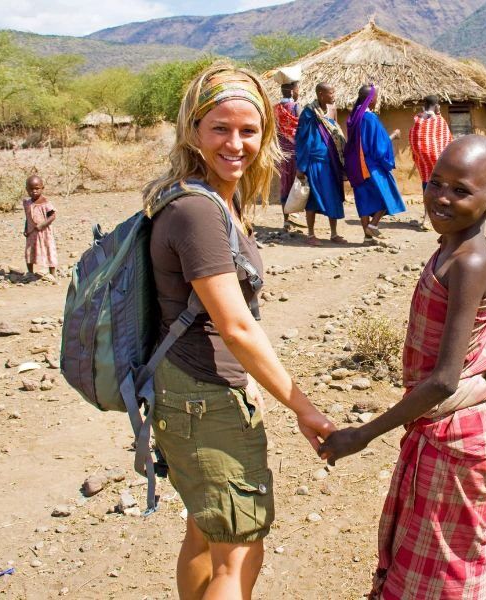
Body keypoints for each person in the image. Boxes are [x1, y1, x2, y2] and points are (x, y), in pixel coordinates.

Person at [142, 63, 335, 600]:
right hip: (202, 398)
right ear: (193, 131)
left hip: (189, 392)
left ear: (266, 133)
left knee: (206, 530)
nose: (235, 143)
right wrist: (304, 406)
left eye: (248, 131)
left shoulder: (205, 197)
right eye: (219, 129)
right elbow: (235, 326)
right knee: (241, 548)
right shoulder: (197, 211)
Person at [320, 135, 486, 599]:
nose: (442, 197)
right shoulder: (454, 250)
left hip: (458, 435)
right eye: (436, 183)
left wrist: (364, 434)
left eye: (460, 190)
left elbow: (445, 380)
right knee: (439, 559)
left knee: (446, 572)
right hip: (456, 431)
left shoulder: (470, 261)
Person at [344, 84, 406, 243]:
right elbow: (379, 145)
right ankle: (373, 225)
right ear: (371, 100)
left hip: (356, 166)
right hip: (371, 165)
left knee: (364, 198)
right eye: (376, 97)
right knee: (388, 193)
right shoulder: (370, 118)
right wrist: (393, 135)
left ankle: (367, 237)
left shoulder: (353, 117)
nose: (377, 100)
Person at [295, 82, 347, 246]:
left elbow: (336, 134)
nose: (333, 95)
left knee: (334, 197)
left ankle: (334, 233)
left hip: (332, 162)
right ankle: (310, 234)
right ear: (320, 94)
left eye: (333, 92)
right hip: (315, 163)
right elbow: (303, 140)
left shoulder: (332, 111)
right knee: (313, 198)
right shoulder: (309, 113)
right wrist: (301, 166)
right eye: (331, 92)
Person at [408, 94, 452, 230]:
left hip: (424, 164)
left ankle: (426, 218)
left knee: (427, 188)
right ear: (437, 106)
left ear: (423, 106)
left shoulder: (417, 121)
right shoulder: (439, 121)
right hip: (438, 163)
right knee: (442, 190)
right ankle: (437, 217)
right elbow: (447, 140)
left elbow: (413, 139)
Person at [274, 80, 304, 231]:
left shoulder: (276, 109)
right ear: (292, 91)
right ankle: (295, 213)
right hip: (296, 150)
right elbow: (302, 128)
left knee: (284, 183)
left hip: (282, 152)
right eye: (297, 88)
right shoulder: (297, 107)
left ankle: (286, 220)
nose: (298, 91)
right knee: (297, 182)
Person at [22, 175, 58, 279]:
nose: (34, 191)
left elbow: (52, 216)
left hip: (45, 233)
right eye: (31, 189)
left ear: (42, 188)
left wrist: (42, 225)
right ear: (27, 190)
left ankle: (52, 273)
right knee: (29, 250)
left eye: (37, 189)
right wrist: (25, 229)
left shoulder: (46, 203)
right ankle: (30, 272)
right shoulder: (27, 203)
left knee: (49, 250)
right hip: (32, 232)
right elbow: (27, 217)